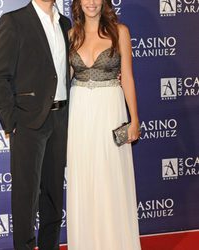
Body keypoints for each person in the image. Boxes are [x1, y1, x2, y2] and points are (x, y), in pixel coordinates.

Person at [0, 0, 71, 249]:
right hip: (27, 121)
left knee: (54, 196)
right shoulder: (13, 21)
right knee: (26, 197)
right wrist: (11, 121)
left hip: (61, 118)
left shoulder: (65, 23)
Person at [66, 0, 141, 249]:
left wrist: (134, 119)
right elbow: (64, 78)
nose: (91, 2)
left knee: (110, 176)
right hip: (79, 112)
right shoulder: (71, 35)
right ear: (77, 3)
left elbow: (127, 77)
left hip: (110, 108)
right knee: (84, 176)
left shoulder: (120, 32)